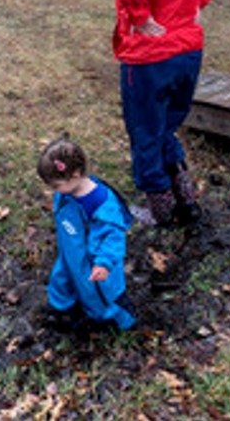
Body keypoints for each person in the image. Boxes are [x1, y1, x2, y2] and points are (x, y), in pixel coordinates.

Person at [99, 0, 230, 227]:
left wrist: (141, 19)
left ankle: (160, 210)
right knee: (167, 128)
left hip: (148, 60)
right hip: (187, 55)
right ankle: (185, 200)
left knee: (145, 132)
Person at [37, 137, 136, 332]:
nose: (52, 191)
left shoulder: (101, 205)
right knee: (62, 281)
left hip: (94, 264)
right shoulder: (66, 194)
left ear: (75, 174)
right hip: (70, 253)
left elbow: (114, 237)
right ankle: (61, 310)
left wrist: (105, 262)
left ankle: (113, 322)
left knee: (99, 294)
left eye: (55, 185)